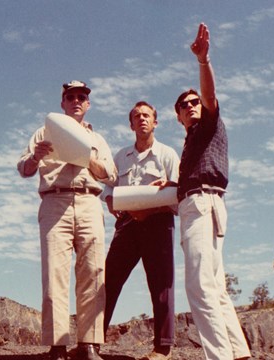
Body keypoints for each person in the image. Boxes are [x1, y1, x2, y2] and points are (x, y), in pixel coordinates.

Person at [17, 80, 117, 360]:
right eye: (70, 97)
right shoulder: (43, 132)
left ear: (88, 104)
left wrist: (87, 157)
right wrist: (35, 157)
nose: (76, 101)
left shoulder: (98, 139)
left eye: (81, 97)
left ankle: (89, 343)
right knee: (54, 273)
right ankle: (57, 344)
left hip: (88, 201)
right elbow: (23, 168)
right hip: (54, 201)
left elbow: (110, 174)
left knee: (94, 272)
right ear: (62, 102)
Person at [174, 23, 251, 360]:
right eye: (184, 104)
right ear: (178, 116)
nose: (191, 105)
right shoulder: (192, 142)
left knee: (199, 286)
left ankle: (219, 357)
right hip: (208, 203)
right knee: (216, 286)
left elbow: (209, 96)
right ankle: (239, 352)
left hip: (202, 205)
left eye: (194, 101)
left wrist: (203, 62)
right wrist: (173, 186)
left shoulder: (209, 122)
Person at [101, 101, 179, 360]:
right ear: (131, 124)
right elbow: (108, 186)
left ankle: (162, 348)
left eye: (147, 115)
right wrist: (111, 200)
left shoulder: (167, 154)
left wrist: (151, 210)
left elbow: (178, 193)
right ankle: (91, 342)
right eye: (136, 116)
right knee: (108, 281)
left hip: (158, 223)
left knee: (161, 284)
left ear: (155, 122)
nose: (142, 119)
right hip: (127, 224)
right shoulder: (121, 156)